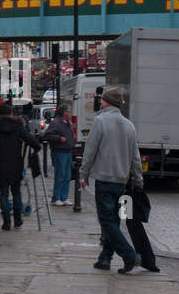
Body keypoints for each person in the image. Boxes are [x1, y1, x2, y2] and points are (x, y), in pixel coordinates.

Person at [79, 87, 143, 273]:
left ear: (107, 102)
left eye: (102, 99)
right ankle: (105, 259)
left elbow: (90, 150)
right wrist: (137, 179)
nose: (101, 102)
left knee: (106, 221)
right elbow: (135, 156)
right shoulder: (129, 125)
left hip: (104, 179)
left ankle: (130, 255)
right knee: (114, 221)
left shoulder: (100, 121)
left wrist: (83, 173)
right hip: (122, 181)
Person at [0, 103, 41, 230]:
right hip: (16, 163)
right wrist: (37, 147)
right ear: (11, 113)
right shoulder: (18, 127)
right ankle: (17, 219)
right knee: (16, 193)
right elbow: (30, 139)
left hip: (1, 165)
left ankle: (6, 222)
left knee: (3, 194)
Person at [123, 179, 159, 272]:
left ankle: (140, 258)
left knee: (129, 221)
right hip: (125, 186)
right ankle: (147, 260)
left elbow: (135, 165)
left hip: (125, 187)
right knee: (130, 221)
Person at [43, 106, 75, 205]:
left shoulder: (67, 123)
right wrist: (59, 138)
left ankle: (64, 197)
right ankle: (56, 198)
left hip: (68, 151)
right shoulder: (56, 122)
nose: (70, 113)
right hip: (59, 152)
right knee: (60, 175)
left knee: (67, 176)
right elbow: (47, 135)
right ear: (64, 113)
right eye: (69, 111)